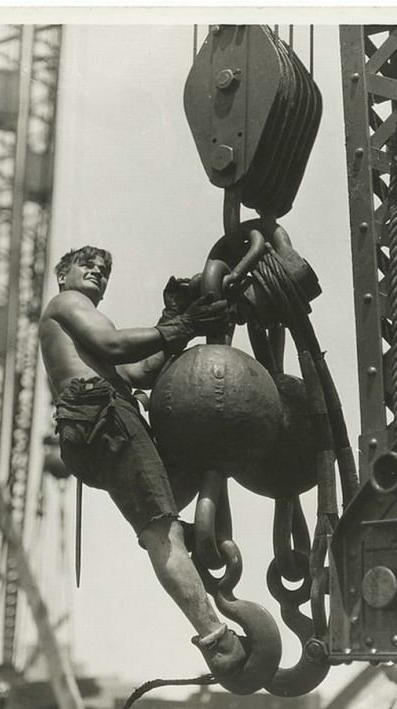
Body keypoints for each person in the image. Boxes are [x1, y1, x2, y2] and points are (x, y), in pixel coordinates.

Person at [39, 245, 247, 678]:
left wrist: (177, 325)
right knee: (160, 531)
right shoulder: (67, 304)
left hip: (99, 424)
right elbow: (114, 345)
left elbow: (138, 373)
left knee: (173, 495)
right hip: (104, 414)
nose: (97, 271)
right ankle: (217, 641)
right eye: (87, 265)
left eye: (104, 270)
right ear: (63, 277)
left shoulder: (79, 341)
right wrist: (183, 324)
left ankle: (182, 542)